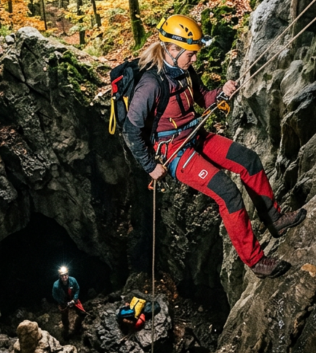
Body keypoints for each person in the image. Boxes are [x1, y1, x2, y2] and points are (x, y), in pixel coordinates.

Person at [122, 15, 306, 279]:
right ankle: (256, 262)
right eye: (191, 53)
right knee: (227, 193)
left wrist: (222, 92)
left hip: (195, 135)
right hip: (174, 150)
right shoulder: (151, 84)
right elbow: (131, 129)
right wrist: (150, 166)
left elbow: (203, 97)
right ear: (172, 50)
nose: (195, 58)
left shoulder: (184, 71)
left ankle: (274, 220)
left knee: (249, 160)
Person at [51, 266, 83, 335]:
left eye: (65, 275)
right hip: (63, 300)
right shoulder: (56, 285)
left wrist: (74, 299)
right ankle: (66, 328)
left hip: (72, 298)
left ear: (68, 274)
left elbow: (77, 289)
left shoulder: (73, 280)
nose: (64, 277)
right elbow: (54, 295)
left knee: (80, 311)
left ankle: (78, 327)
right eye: (62, 276)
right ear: (60, 276)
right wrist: (62, 302)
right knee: (64, 315)